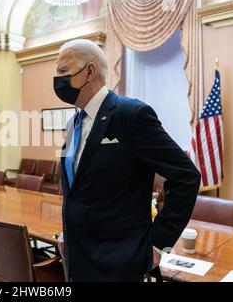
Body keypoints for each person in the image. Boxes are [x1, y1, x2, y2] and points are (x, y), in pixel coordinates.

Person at [54, 39, 201, 282]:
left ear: (89, 71)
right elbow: (78, 190)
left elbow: (186, 176)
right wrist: (68, 234)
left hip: (119, 263)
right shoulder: (73, 123)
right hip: (77, 256)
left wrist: (157, 245)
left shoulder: (131, 115)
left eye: (62, 71)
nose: (57, 79)